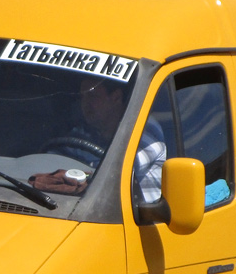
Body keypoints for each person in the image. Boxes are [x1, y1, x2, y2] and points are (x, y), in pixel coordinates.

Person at [32, 76, 165, 198]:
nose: (85, 103)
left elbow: (117, 174)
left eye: (92, 96)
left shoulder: (145, 128)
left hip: (135, 218)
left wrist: (73, 175)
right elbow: (53, 161)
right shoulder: (84, 132)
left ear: (116, 98)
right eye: (82, 97)